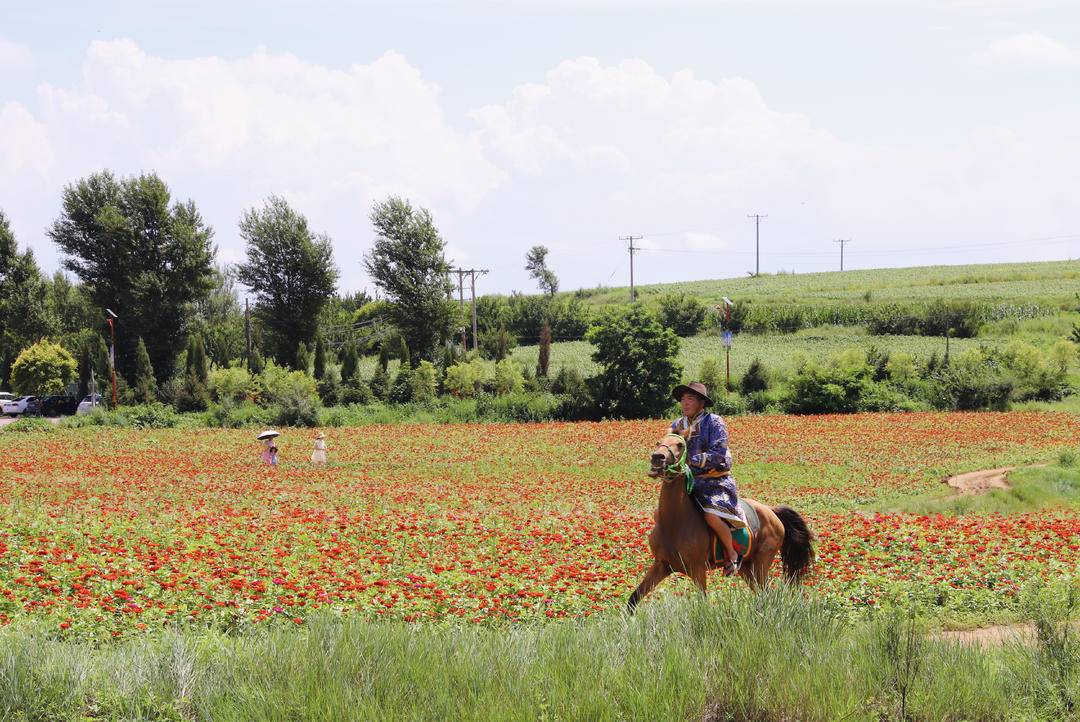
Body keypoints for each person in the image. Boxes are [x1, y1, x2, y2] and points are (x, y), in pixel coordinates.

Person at [670, 381, 745, 575]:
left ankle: (731, 554)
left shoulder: (714, 421)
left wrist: (690, 460)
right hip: (689, 482)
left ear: (702, 403)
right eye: (683, 399)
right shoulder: (677, 425)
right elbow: (669, 446)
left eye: (690, 399)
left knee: (711, 515)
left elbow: (719, 453)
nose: (685, 403)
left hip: (714, 481)